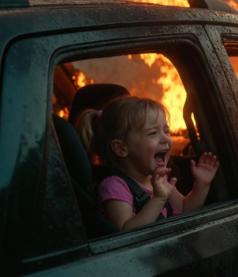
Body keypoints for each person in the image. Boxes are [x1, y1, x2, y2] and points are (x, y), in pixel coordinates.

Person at [77, 96, 219, 230]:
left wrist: (201, 185)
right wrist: (158, 199)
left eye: (166, 131)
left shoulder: (159, 178)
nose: (165, 138)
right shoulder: (115, 186)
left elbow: (184, 209)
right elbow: (125, 231)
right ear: (121, 148)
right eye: (153, 133)